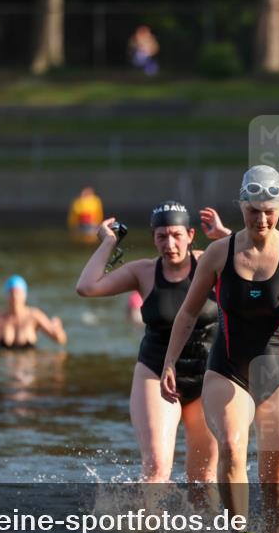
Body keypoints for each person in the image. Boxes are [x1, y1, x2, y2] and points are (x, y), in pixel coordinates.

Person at [160, 165, 279, 533]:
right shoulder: (219, 253)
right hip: (227, 368)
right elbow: (187, 312)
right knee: (233, 447)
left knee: (275, 481)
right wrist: (169, 361)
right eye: (254, 210)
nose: (262, 218)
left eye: (269, 209)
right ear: (242, 207)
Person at [76, 203, 231, 484]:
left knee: (203, 478)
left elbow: (258, 265)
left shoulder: (212, 261)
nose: (169, 244)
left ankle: (198, 529)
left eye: (176, 235)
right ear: (153, 238)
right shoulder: (143, 272)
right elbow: (86, 287)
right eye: (161, 237)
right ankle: (149, 527)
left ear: (190, 234)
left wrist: (225, 236)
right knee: (157, 468)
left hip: (206, 376)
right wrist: (108, 242)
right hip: (155, 373)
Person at [0, 275, 67, 349]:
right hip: (5, 370)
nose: (15, 297)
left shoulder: (34, 316)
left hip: (28, 367)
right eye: (12, 293)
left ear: (24, 295)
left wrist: (58, 328)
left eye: (18, 293)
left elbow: (60, 340)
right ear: (7, 295)